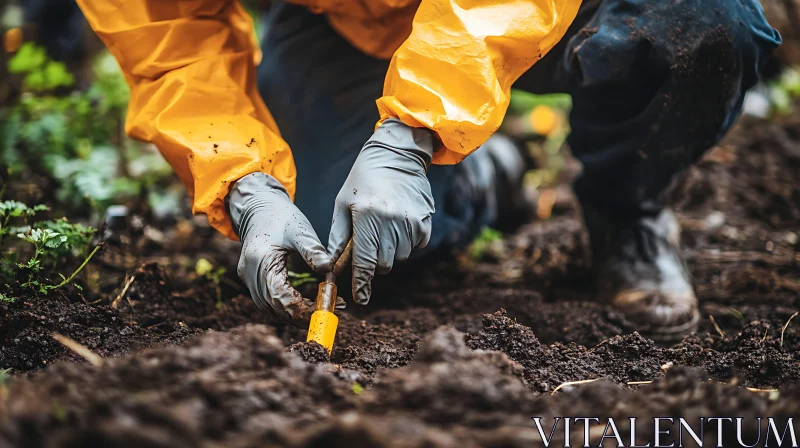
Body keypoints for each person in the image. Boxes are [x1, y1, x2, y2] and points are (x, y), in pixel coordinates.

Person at [75, 0, 780, 340]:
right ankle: (483, 178)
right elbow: (171, 47)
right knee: (349, 252)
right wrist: (248, 185)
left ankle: (628, 209)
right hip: (350, 24)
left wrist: (410, 132)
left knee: (703, 24)